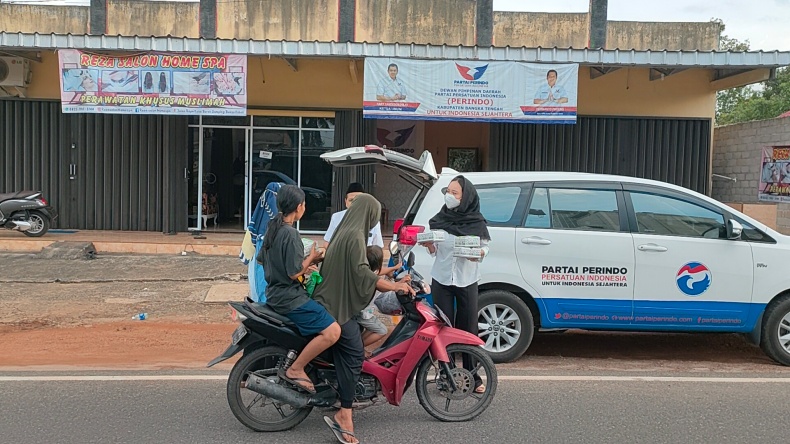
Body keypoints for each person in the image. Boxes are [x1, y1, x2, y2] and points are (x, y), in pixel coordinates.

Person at [313, 193, 415, 444]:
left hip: (331, 300)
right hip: (336, 306)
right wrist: (394, 287)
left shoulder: (344, 232)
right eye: (375, 215)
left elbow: (358, 272)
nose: (375, 221)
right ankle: (344, 413)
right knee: (355, 352)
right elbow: (361, 273)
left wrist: (390, 280)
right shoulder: (356, 237)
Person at [258, 184, 341, 393]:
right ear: (299, 207)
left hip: (274, 294)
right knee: (333, 331)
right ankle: (296, 368)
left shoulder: (272, 228)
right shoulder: (290, 234)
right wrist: (311, 258)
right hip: (290, 297)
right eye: (304, 204)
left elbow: (263, 261)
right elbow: (293, 273)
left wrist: (302, 264)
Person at [420, 175, 490, 394]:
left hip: (466, 279)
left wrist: (478, 253)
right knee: (443, 327)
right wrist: (429, 245)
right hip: (441, 279)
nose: (449, 196)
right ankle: (447, 375)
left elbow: (486, 246)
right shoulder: (439, 219)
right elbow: (434, 250)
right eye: (447, 192)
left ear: (466, 197)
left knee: (468, 328)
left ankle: (473, 376)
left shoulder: (476, 221)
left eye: (455, 193)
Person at [239, 181, 282, 303]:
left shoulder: (260, 219)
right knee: (261, 287)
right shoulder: (272, 225)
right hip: (262, 262)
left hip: (261, 263)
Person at [354, 245, 393, 353]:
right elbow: (385, 287)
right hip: (362, 313)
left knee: (372, 326)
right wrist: (399, 284)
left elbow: (379, 272)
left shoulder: (363, 271)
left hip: (359, 310)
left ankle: (358, 345)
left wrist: (393, 268)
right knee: (382, 330)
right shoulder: (372, 279)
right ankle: (357, 348)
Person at [325, 182, 384, 248]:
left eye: (358, 201)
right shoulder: (336, 217)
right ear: (346, 202)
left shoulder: (373, 220)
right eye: (351, 200)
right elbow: (327, 243)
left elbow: (378, 248)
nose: (355, 204)